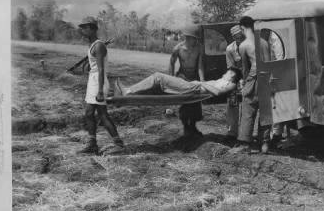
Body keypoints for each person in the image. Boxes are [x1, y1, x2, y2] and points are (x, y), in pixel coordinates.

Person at [77, 16, 124, 155]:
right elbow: (94, 64)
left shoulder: (98, 46)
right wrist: (87, 66)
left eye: (85, 28)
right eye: (82, 28)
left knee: (102, 115)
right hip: (93, 80)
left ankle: (118, 144)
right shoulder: (93, 45)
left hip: (98, 82)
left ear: (92, 29)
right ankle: (92, 144)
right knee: (89, 113)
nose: (83, 31)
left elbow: (102, 69)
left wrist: (100, 91)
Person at [232, 16, 271, 154]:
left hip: (254, 78)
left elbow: (245, 69)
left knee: (248, 109)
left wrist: (244, 84)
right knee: (265, 111)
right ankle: (264, 144)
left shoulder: (244, 45)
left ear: (242, 28)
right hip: (267, 78)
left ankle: (244, 143)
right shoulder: (264, 42)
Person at [169, 25, 205, 137]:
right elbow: (171, 64)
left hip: (195, 77)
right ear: (187, 37)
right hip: (182, 76)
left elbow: (200, 66)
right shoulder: (177, 49)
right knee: (185, 101)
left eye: (196, 38)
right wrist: (171, 80)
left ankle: (193, 126)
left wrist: (203, 82)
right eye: (194, 38)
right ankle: (186, 127)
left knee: (195, 101)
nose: (195, 40)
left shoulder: (199, 47)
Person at [114, 67, 242, 97]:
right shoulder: (223, 80)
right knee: (158, 80)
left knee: (158, 76)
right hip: (193, 86)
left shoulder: (230, 84)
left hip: (195, 88)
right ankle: (130, 90)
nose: (227, 73)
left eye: (230, 73)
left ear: (233, 77)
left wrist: (201, 83)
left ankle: (127, 91)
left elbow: (217, 92)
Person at [225, 25, 245, 141]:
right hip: (235, 76)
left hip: (248, 77)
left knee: (247, 106)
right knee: (232, 103)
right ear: (233, 37)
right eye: (237, 37)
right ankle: (231, 132)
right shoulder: (230, 49)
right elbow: (231, 68)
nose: (239, 38)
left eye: (241, 36)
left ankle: (244, 133)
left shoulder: (248, 46)